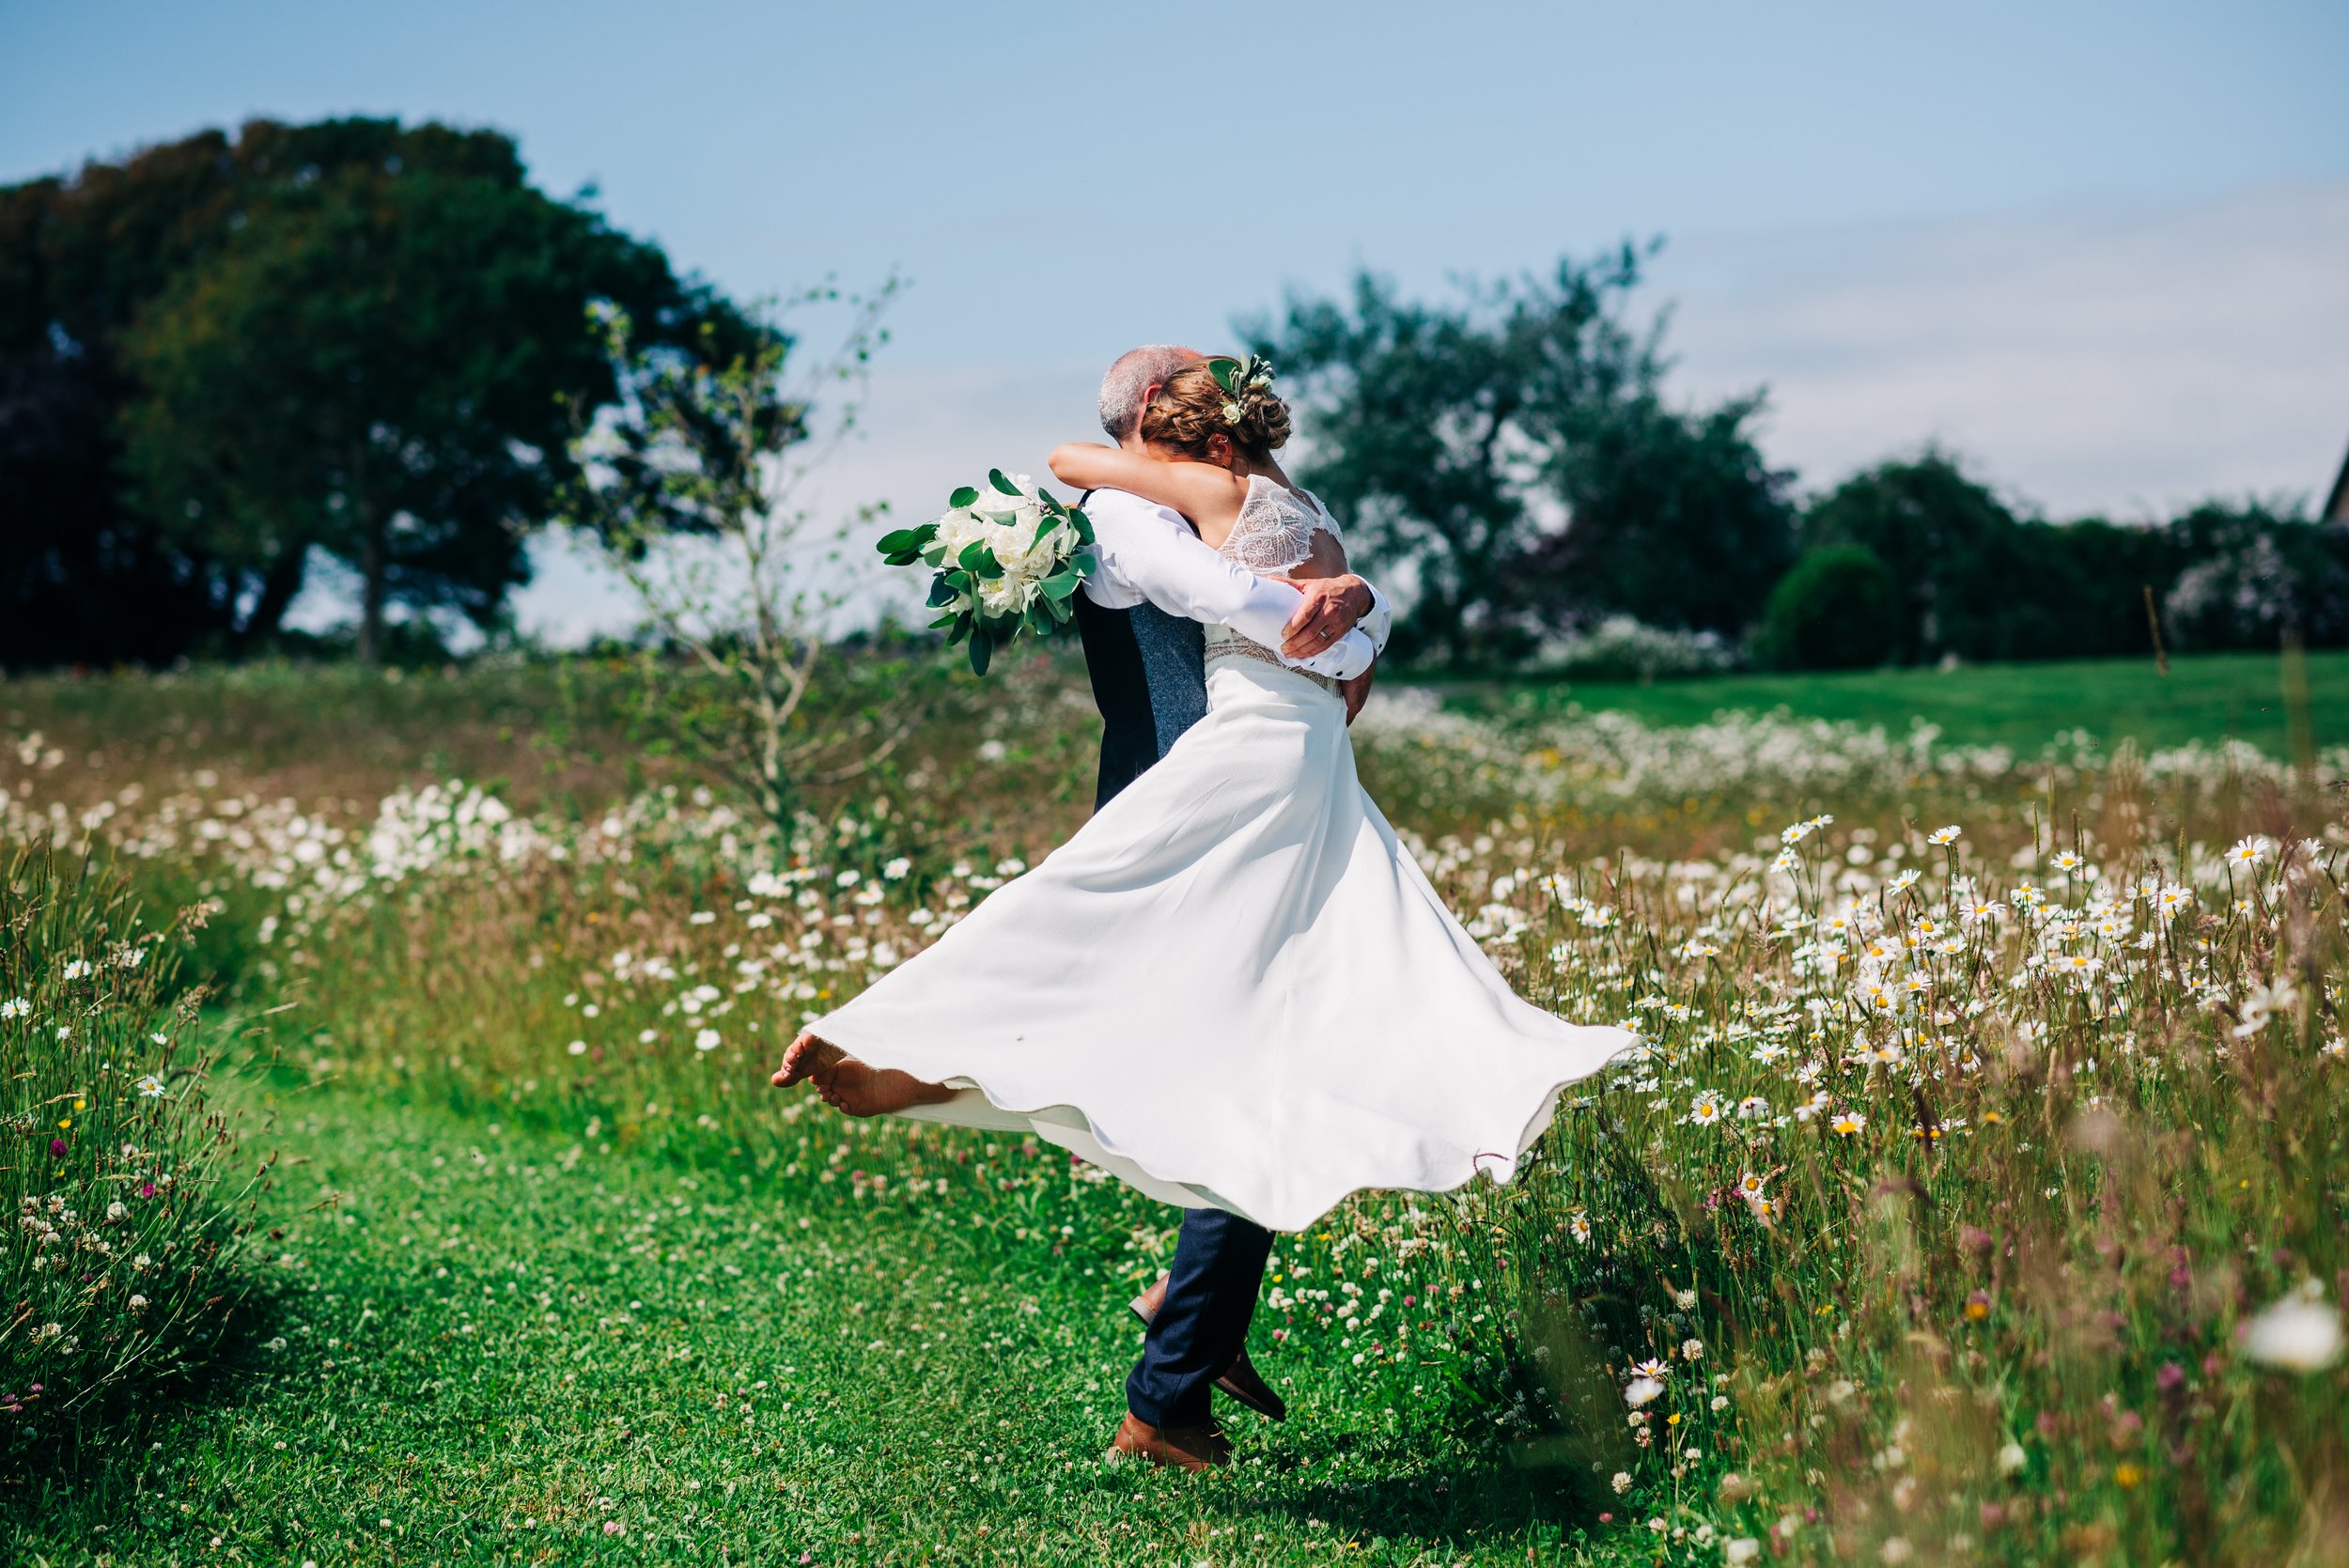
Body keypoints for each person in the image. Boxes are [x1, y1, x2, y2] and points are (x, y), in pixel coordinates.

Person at [772, 348, 1632, 1470]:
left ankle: (1180, 1346)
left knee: (1290, 1035)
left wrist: (1356, 608)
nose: (1211, 382)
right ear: (1164, 423)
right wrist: (1328, 606)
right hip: (1200, 787)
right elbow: (1215, 596)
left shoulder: (1240, 499)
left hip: (1275, 775)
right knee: (1167, 999)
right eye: (1189, 382)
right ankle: (908, 1054)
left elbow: (1334, 642)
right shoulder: (1125, 509)